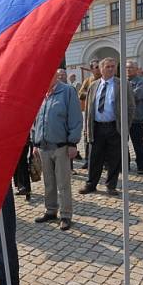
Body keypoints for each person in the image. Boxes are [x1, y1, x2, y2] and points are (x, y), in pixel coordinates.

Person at [32, 69, 83, 230]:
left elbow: (75, 118)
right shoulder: (40, 93)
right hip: (43, 146)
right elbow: (36, 120)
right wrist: (35, 142)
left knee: (63, 183)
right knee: (49, 183)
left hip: (61, 146)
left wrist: (73, 143)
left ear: (55, 75)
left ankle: (66, 215)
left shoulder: (67, 91)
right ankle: (51, 211)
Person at [80, 57, 135, 196]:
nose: (111, 69)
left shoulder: (123, 84)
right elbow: (88, 109)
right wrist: (87, 129)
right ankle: (91, 184)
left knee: (114, 158)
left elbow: (131, 107)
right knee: (94, 158)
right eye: (108, 66)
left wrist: (125, 126)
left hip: (114, 128)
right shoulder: (93, 85)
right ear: (101, 68)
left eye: (113, 66)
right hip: (97, 127)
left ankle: (111, 185)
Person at [77, 59, 102, 169]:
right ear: (92, 69)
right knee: (87, 136)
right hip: (89, 114)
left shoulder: (104, 80)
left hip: (103, 114)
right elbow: (80, 94)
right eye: (96, 67)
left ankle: (104, 160)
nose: (99, 69)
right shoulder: (88, 81)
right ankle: (88, 160)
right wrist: (91, 94)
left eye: (100, 66)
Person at [126, 60, 143, 175]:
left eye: (130, 67)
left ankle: (141, 165)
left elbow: (136, 96)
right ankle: (126, 164)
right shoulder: (123, 81)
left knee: (138, 143)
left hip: (136, 118)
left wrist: (121, 95)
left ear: (137, 69)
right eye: (126, 67)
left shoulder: (142, 81)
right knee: (123, 142)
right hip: (123, 118)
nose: (128, 69)